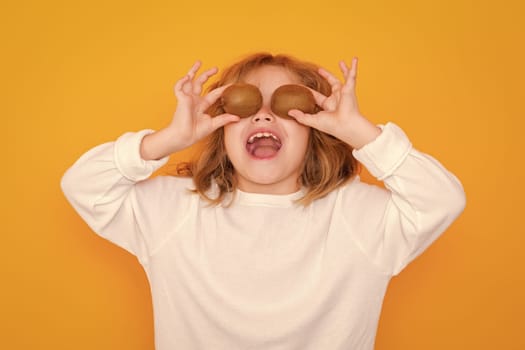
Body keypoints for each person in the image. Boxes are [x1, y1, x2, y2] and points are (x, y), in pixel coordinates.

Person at [61, 52, 466, 349]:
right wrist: (169, 139)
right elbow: (83, 185)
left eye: (286, 105)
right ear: (222, 129)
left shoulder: (357, 217)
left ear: (314, 131)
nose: (264, 116)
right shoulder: (174, 212)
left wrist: (359, 132)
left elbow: (442, 199)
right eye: (249, 102)